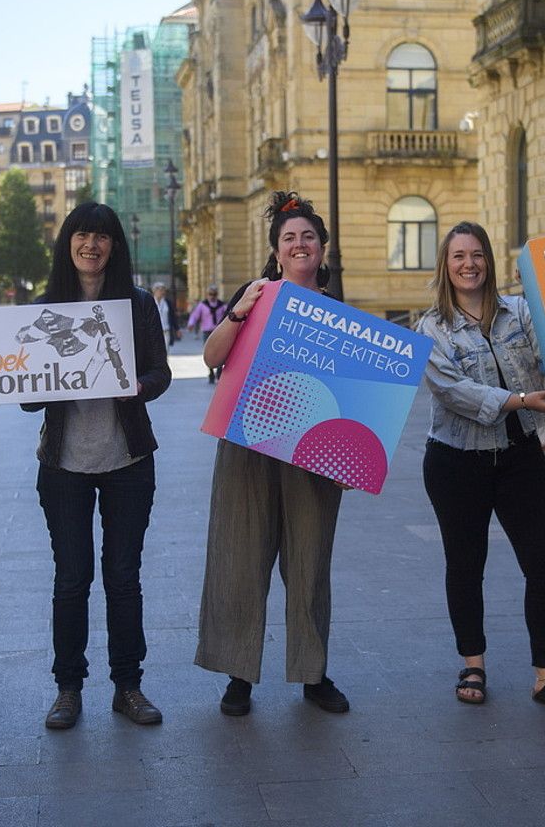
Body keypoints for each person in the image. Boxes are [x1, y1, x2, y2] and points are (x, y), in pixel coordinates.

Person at [416, 221, 545, 716]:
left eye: (477, 255)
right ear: (445, 267)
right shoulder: (432, 327)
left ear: (489, 262)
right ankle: (473, 663)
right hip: (454, 462)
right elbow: (452, 391)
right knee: (466, 566)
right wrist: (519, 399)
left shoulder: (522, 311)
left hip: (520, 457)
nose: (469, 264)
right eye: (458, 256)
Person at [193, 191, 350, 716]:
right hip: (248, 445)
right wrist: (238, 313)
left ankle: (314, 673)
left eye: (309, 237)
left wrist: (351, 457)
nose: (300, 244)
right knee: (240, 555)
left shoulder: (338, 314)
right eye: (290, 238)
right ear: (277, 251)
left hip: (312, 453)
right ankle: (239, 674)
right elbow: (212, 356)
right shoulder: (255, 297)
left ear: (322, 249)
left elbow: (353, 394)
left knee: (310, 563)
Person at [19, 203, 171, 730]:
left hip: (127, 459)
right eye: (82, 234)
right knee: (71, 578)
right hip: (63, 464)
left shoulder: (136, 305)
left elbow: (160, 372)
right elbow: (27, 399)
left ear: (114, 247)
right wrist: (27, 380)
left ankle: (128, 686)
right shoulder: (43, 309)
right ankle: (68, 688)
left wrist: (139, 386)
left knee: (124, 577)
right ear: (68, 243)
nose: (92, 244)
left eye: (103, 237)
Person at [185, 285, 228, 382]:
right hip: (207, 332)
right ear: (207, 295)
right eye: (210, 294)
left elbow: (227, 316)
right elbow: (195, 315)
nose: (212, 296)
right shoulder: (202, 305)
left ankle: (219, 371)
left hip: (219, 331)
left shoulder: (222, 305)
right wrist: (191, 324)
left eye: (214, 294)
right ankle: (211, 371)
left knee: (221, 352)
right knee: (209, 353)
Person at [151, 281, 175, 346]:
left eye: (163, 290)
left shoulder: (168, 303)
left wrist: (177, 329)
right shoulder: (150, 302)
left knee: (165, 351)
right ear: (154, 291)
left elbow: (173, 316)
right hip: (154, 332)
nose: (162, 292)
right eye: (160, 290)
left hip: (166, 331)